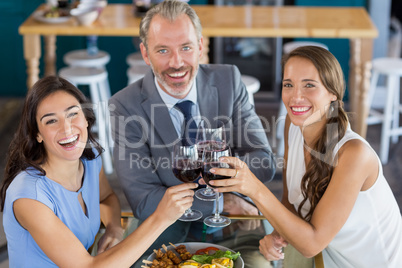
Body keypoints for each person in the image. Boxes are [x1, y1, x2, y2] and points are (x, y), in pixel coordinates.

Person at [208, 46, 402, 267]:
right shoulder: (294, 125)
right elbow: (290, 201)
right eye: (288, 84)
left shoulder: (354, 154)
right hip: (327, 257)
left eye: (309, 85)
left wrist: (254, 188)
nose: (295, 97)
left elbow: (312, 244)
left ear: (333, 93)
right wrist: (278, 235)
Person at [108, 0, 275, 250]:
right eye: (163, 50)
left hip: (239, 226)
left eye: (185, 47)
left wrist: (229, 201)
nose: (177, 63)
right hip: (165, 236)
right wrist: (223, 201)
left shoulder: (229, 79)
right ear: (145, 53)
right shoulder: (124, 106)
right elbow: (143, 200)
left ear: (199, 46)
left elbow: (263, 161)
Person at [0, 76, 197, 267]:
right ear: (37, 134)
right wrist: (161, 218)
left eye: (73, 114)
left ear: (85, 119)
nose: (67, 128)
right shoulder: (29, 198)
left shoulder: (90, 158)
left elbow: (106, 197)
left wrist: (114, 228)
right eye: (51, 121)